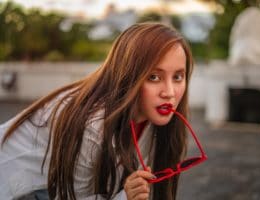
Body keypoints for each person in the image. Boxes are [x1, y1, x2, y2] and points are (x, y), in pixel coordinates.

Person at [0, 22, 194, 200]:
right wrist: (124, 197)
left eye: (178, 77)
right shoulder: (92, 126)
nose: (169, 93)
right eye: (153, 77)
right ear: (129, 76)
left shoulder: (154, 117)